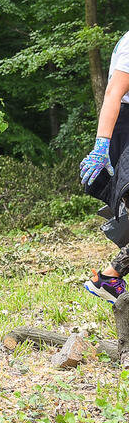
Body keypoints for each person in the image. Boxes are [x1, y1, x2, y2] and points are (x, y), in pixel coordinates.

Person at [81, 30, 129, 305]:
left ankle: (109, 278)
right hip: (123, 134)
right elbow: (113, 93)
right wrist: (101, 147)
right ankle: (109, 278)